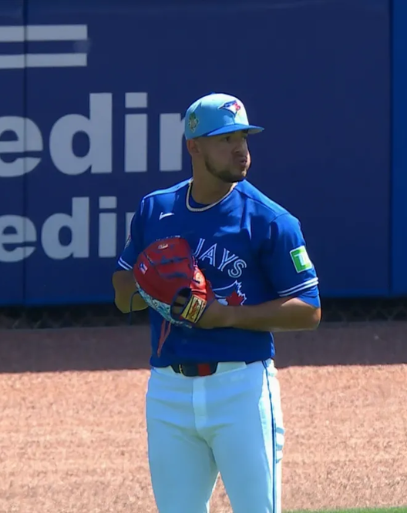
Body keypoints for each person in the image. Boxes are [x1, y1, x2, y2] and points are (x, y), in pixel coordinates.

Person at [111, 92, 322, 513]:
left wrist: (225, 315)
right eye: (226, 139)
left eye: (243, 137)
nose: (240, 149)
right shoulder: (156, 209)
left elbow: (309, 310)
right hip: (169, 390)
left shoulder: (270, 220)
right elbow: (122, 296)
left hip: (240, 388)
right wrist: (155, 291)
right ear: (194, 147)